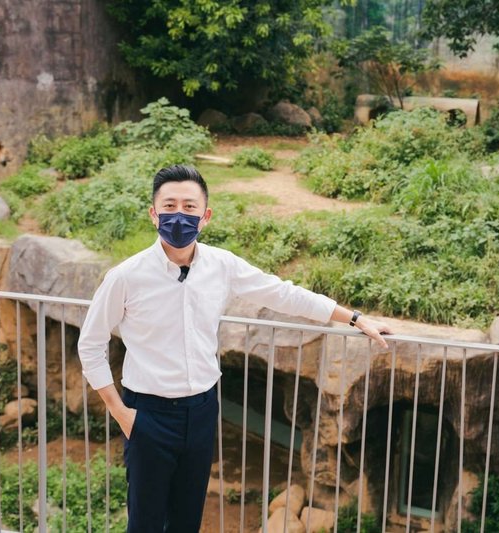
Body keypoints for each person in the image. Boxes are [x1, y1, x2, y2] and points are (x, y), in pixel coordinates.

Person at [77, 164, 392, 532]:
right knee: (144, 523)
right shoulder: (126, 276)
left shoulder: (221, 265)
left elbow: (282, 293)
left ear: (205, 216)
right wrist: (121, 413)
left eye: (190, 207)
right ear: (153, 213)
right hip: (147, 413)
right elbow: (91, 344)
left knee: (186, 520)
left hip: (202, 411)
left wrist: (353, 318)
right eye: (170, 205)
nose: (179, 215)